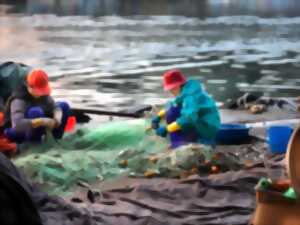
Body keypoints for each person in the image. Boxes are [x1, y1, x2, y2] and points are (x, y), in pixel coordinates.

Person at [0, 62, 70, 144]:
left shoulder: (44, 95)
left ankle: (57, 138)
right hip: (15, 130)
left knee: (63, 105)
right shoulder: (19, 99)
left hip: (35, 124)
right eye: (38, 91)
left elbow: (55, 107)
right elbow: (17, 125)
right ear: (29, 87)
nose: (40, 94)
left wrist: (57, 118)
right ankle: (34, 144)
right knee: (35, 111)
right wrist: (42, 121)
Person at [151, 69, 220, 149]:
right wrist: (158, 117)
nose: (170, 91)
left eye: (172, 88)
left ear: (178, 85)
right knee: (172, 110)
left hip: (205, 128)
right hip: (199, 122)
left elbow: (187, 119)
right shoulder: (186, 91)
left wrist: (167, 129)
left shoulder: (191, 97)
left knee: (173, 116)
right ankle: (179, 142)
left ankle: (182, 145)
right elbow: (174, 104)